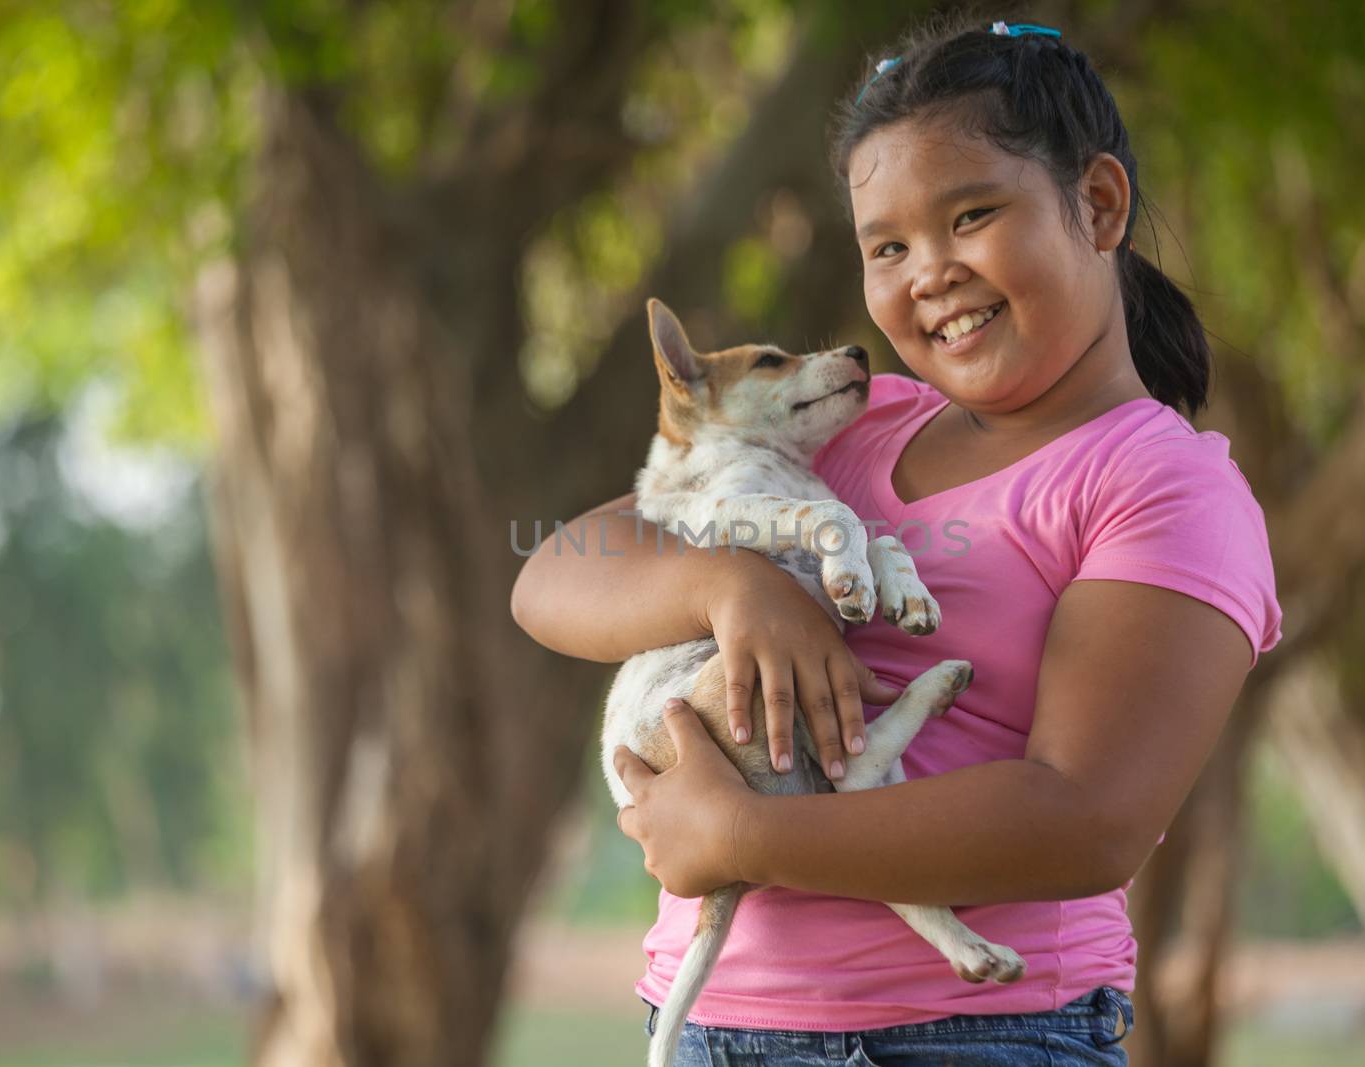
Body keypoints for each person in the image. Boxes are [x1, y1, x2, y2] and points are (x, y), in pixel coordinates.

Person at [510, 14, 1282, 1066]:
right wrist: (732, 587)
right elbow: (555, 576)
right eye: (887, 245)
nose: (928, 270)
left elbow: (1083, 817)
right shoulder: (848, 433)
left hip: (983, 1034)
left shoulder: (1161, 485)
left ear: (1097, 205)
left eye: (971, 215)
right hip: (708, 1028)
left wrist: (744, 839)